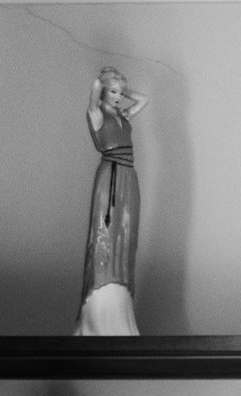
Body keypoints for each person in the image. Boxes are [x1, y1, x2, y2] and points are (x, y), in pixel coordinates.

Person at [74, 68, 148, 336]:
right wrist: (107, 84)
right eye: (114, 91)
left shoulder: (121, 115)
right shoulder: (97, 114)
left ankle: (121, 305)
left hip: (129, 177)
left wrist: (122, 91)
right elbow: (94, 87)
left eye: (120, 92)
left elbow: (143, 100)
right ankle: (98, 312)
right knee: (106, 234)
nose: (118, 97)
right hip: (111, 177)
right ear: (104, 90)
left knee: (126, 237)